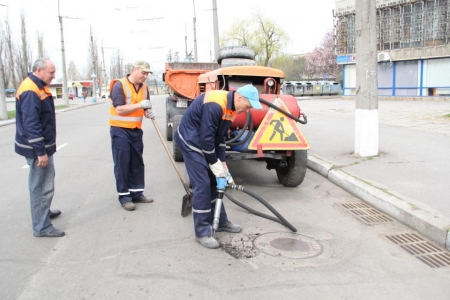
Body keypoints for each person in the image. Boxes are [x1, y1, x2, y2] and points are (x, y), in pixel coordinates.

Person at [173, 84, 262, 249]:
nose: (248, 110)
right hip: (190, 140)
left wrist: (223, 163)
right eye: (248, 106)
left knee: (215, 182)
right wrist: (214, 162)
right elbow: (207, 138)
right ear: (240, 97)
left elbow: (219, 137)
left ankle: (220, 221)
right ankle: (202, 232)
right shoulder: (215, 104)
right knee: (202, 184)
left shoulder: (232, 109)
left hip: (203, 140)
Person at [15, 58, 65, 238]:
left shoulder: (38, 85)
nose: (54, 76)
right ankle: (41, 226)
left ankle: (43, 212)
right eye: (51, 72)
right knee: (41, 186)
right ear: (39, 70)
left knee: (45, 181)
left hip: (42, 146)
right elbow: (31, 124)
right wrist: (40, 152)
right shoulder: (30, 89)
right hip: (37, 148)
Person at [109, 61, 156, 211]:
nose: (145, 76)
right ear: (135, 70)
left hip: (136, 130)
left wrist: (149, 113)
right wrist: (139, 105)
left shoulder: (145, 88)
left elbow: (145, 110)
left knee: (137, 163)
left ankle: (137, 193)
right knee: (123, 164)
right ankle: (124, 197)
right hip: (120, 130)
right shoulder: (119, 85)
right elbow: (120, 109)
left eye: (147, 74)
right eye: (143, 73)